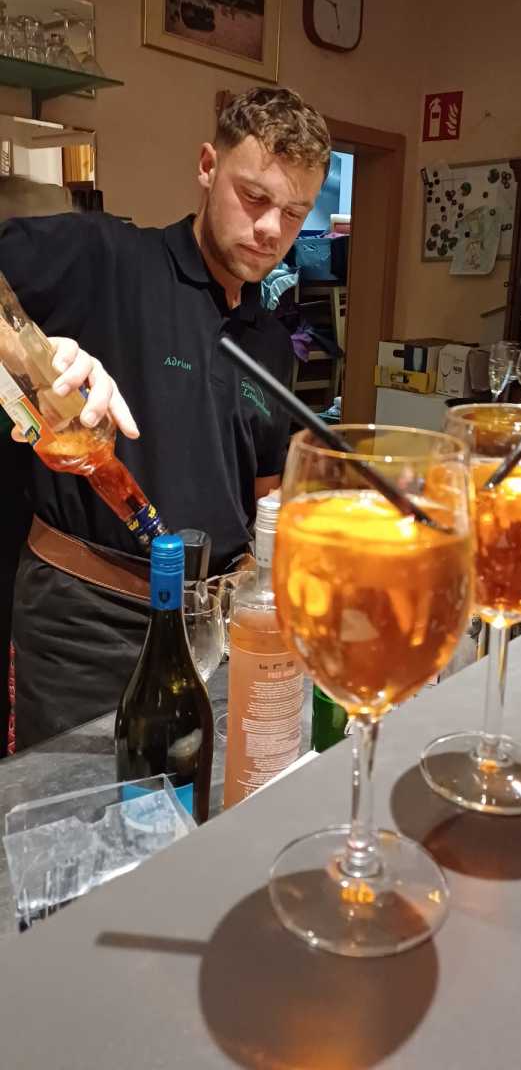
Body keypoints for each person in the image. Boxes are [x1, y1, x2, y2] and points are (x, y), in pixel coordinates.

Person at [0, 86, 331, 748]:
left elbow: (266, 497)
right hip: (88, 622)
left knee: (199, 797)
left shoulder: (272, 342)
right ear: (208, 167)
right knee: (78, 805)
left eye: (294, 213)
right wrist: (29, 353)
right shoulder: (106, 258)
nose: (272, 229)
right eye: (254, 197)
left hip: (213, 626)